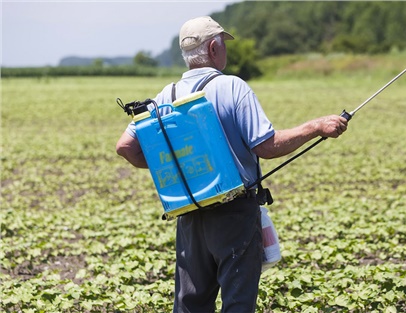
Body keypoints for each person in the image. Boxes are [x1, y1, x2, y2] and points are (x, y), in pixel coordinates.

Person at [115, 16, 348, 312]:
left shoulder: (166, 95)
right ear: (214, 48)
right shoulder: (232, 88)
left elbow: (125, 147)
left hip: (190, 214)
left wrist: (175, 165)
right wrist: (315, 127)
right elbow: (267, 146)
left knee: (190, 305)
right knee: (237, 303)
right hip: (233, 214)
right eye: (223, 43)